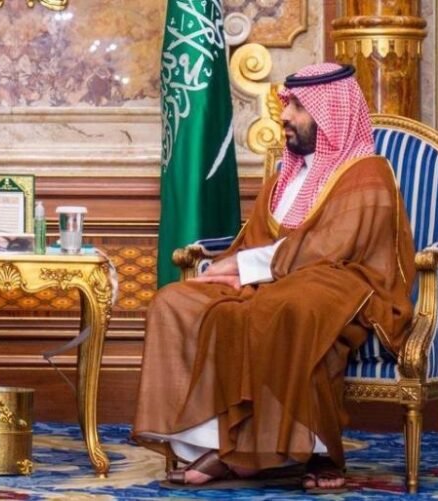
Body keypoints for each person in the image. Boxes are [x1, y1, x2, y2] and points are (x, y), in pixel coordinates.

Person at [132, 63, 415, 492]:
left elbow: (330, 249)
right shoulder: (287, 175)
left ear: (328, 112)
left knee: (287, 307)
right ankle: (222, 447)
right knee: (175, 300)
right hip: (270, 282)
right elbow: (255, 238)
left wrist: (241, 269)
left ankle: (309, 451)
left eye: (298, 106)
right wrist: (235, 270)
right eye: (288, 104)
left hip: (340, 282)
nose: (284, 116)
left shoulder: (366, 172)